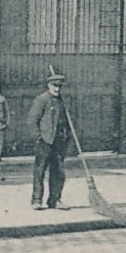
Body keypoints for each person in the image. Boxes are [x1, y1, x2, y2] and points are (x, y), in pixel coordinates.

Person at [26, 71, 71, 210]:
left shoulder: (63, 101)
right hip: (44, 141)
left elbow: (67, 122)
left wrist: (67, 137)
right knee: (40, 172)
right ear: (49, 85)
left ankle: (55, 200)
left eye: (59, 86)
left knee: (58, 172)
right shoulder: (42, 99)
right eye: (54, 86)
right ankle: (37, 200)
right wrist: (38, 138)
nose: (57, 89)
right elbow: (32, 121)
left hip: (59, 142)